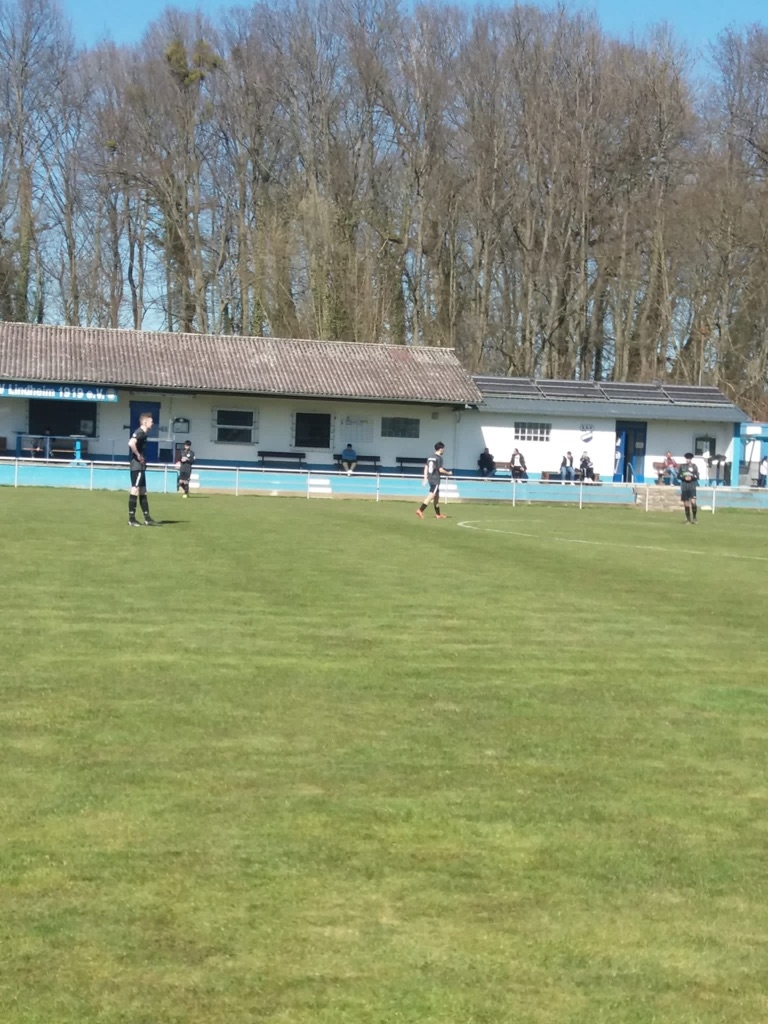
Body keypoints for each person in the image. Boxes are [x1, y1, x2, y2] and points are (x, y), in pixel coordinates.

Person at [127, 412, 159, 526]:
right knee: (135, 489)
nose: (152, 423)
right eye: (151, 421)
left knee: (143, 491)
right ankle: (131, 519)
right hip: (137, 466)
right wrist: (138, 455)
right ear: (145, 422)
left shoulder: (143, 434)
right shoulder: (140, 432)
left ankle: (147, 518)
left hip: (141, 466)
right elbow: (131, 443)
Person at [416, 441, 451, 519]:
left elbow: (426, 467)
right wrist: (448, 473)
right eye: (443, 449)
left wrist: (425, 478)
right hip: (435, 480)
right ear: (440, 449)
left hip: (431, 479)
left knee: (436, 497)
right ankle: (420, 510)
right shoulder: (439, 458)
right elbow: (440, 470)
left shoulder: (430, 457)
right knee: (431, 495)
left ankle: (438, 514)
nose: (444, 450)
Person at [678, 451, 700, 524]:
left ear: (691, 459)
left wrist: (691, 478)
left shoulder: (694, 466)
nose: (688, 460)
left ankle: (694, 517)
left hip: (692, 486)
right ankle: (688, 519)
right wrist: (684, 478)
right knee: (686, 503)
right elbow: (678, 476)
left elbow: (697, 476)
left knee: (693, 502)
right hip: (684, 487)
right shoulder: (682, 466)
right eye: (687, 458)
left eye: (689, 458)